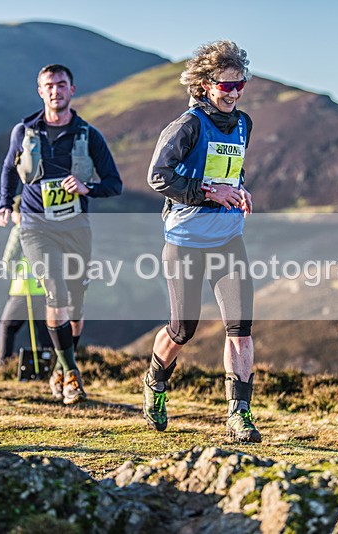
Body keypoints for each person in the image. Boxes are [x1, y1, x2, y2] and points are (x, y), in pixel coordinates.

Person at [142, 41, 260, 442]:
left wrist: (240, 190)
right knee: (182, 330)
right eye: (227, 86)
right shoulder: (187, 125)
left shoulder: (244, 123)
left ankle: (238, 414)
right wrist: (209, 193)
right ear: (206, 85)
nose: (235, 92)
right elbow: (158, 177)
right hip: (185, 241)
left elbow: (232, 171)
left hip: (229, 240)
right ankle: (155, 382)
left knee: (240, 328)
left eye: (240, 84)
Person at [0, 64, 122, 404]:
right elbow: (9, 169)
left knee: (75, 305)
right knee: (56, 291)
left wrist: (86, 187)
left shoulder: (89, 135)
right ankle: (73, 376)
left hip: (76, 227)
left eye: (61, 85)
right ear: (40, 91)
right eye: (49, 86)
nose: (55, 91)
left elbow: (114, 184)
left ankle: (62, 368)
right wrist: (5, 204)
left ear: (72, 89)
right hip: (36, 226)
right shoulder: (23, 131)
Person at [0, 195, 55, 374]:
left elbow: (8, 261)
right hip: (46, 290)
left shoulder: (20, 229)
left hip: (24, 290)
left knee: (7, 326)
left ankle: (4, 367)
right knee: (46, 331)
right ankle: (50, 369)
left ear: (19, 212)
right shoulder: (48, 228)